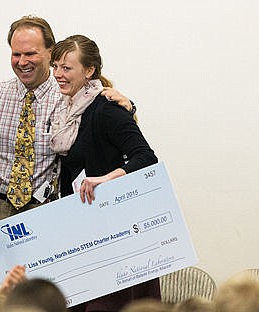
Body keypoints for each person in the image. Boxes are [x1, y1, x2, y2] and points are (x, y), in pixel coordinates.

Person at [0, 15, 134, 303]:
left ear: (50, 53)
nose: (22, 61)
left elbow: (109, 131)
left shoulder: (72, 96)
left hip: (45, 213)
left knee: (43, 301)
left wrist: (129, 107)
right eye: (16, 54)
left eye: (30, 53)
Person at [49, 34, 159, 311]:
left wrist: (106, 179)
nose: (58, 75)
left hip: (115, 237)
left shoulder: (107, 109)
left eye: (67, 68)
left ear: (89, 71)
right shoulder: (64, 110)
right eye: (56, 67)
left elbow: (146, 158)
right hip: (82, 230)